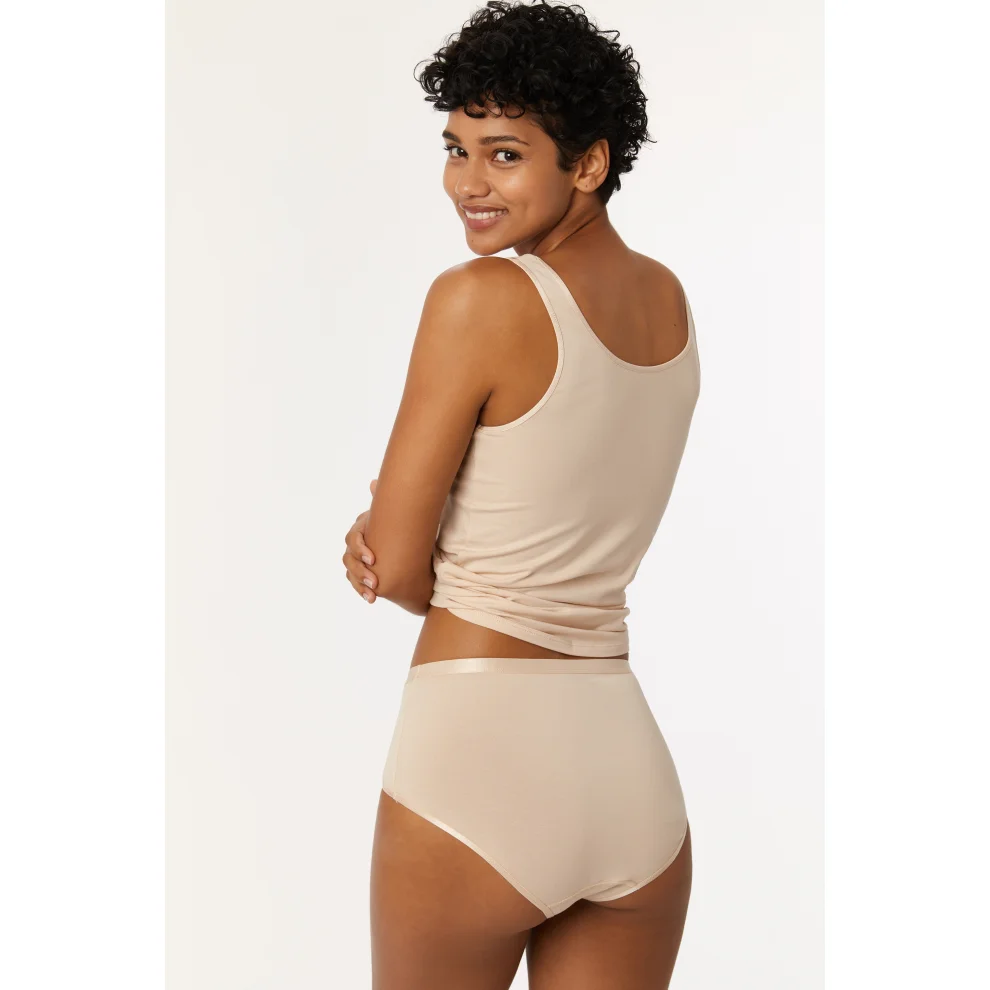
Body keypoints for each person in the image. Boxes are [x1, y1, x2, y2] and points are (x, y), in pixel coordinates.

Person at [342, 2, 701, 986]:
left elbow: (399, 571)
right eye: (455, 150)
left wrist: (388, 532)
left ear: (589, 163)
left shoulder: (479, 299)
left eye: (504, 155)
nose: (467, 183)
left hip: (477, 763)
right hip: (628, 774)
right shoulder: (668, 302)